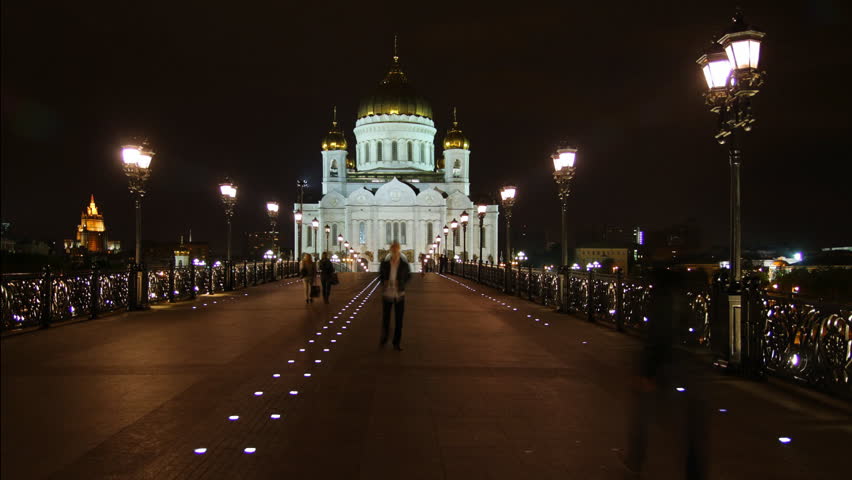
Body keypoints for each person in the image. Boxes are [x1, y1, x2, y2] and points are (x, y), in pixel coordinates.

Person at [379, 241, 410, 351]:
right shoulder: (385, 263)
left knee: (399, 320)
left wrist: (401, 282)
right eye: (393, 248)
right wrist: (384, 281)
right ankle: (385, 337)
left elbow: (408, 276)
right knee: (386, 319)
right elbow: (380, 276)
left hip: (399, 295)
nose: (395, 250)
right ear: (390, 250)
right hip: (387, 294)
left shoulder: (404, 265)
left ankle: (396, 343)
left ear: (399, 250)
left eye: (396, 248)